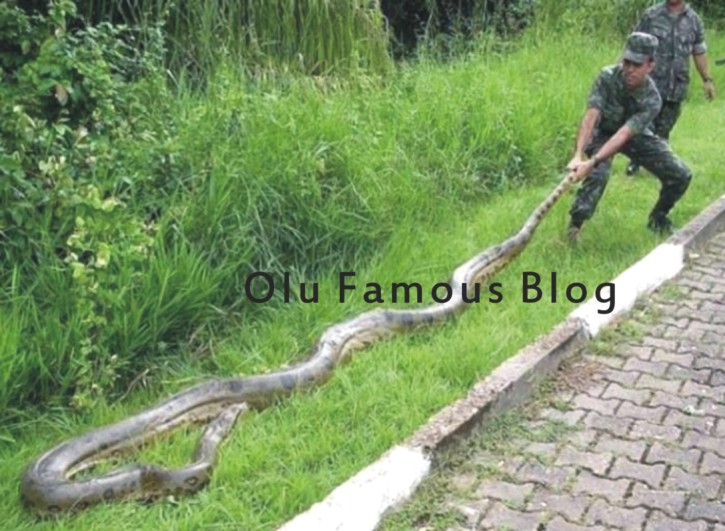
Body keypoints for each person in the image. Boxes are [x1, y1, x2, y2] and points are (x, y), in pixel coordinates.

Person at [566, 32, 692, 243]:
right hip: (603, 133)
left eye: (637, 64)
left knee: (681, 174)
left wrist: (593, 161)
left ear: (650, 66)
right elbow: (591, 115)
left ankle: (658, 218)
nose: (630, 69)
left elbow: (625, 134)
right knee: (598, 173)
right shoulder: (607, 77)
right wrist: (579, 155)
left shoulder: (652, 99)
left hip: (634, 136)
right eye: (627, 62)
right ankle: (575, 226)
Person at [626, 0, 715, 176]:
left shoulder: (694, 20)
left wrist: (707, 79)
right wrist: (629, 74)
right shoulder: (651, 15)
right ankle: (636, 161)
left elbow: (699, 51)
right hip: (651, 83)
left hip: (676, 85)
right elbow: (634, 46)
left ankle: (659, 164)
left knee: (664, 129)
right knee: (644, 123)